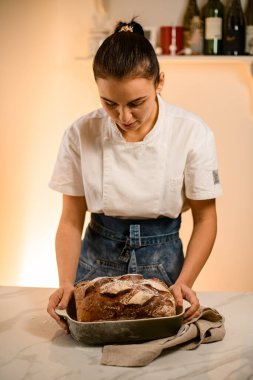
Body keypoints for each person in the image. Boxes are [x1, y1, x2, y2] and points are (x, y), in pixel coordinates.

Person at [47, 19, 222, 333]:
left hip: (164, 266)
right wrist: (64, 282)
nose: (123, 117)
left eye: (136, 103)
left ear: (160, 83)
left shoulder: (192, 132)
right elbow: (71, 220)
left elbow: (206, 220)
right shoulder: (79, 133)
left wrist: (185, 283)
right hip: (94, 264)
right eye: (109, 103)